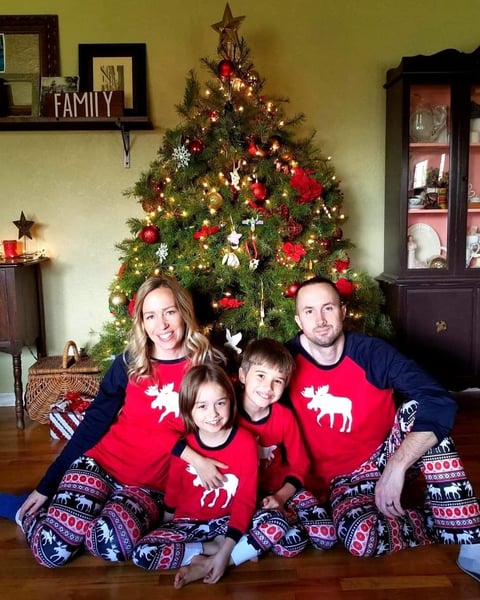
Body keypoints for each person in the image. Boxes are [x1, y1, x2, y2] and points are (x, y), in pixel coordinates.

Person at [0, 275, 226, 567]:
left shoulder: (208, 366)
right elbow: (94, 422)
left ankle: (84, 515)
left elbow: (222, 427)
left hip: (149, 487)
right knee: (50, 551)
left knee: (109, 545)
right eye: (150, 316)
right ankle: (22, 510)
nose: (163, 325)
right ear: (141, 323)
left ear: (184, 312)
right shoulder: (131, 361)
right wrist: (47, 484)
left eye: (170, 311)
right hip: (102, 464)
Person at [284, 275, 480, 581]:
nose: (320, 320)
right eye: (309, 311)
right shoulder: (286, 361)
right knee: (360, 539)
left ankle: (472, 541)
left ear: (343, 311)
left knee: (421, 409)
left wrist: (397, 465)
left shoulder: (371, 353)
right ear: (298, 319)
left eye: (328, 308)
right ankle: (439, 517)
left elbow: (439, 400)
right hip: (337, 482)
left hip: (383, 456)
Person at [131, 363, 289, 588]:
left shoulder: (245, 444)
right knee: (142, 553)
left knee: (277, 522)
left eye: (220, 404)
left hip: (228, 522)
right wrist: (165, 523)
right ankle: (219, 550)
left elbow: (245, 500)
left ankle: (214, 562)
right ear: (188, 410)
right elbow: (174, 490)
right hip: (189, 525)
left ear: (230, 403)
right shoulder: (185, 448)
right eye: (202, 406)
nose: (213, 414)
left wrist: (226, 549)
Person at [236, 337, 336, 556]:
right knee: (289, 545)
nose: (268, 387)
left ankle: (278, 525)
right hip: (246, 499)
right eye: (261, 376)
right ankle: (268, 530)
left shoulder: (284, 418)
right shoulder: (227, 415)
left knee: (327, 537)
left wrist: (281, 497)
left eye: (278, 381)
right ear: (243, 375)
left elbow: (300, 463)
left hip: (283, 489)